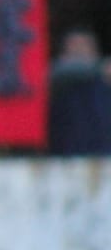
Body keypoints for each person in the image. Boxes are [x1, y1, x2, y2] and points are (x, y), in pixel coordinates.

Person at [48, 27, 111, 156]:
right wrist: (100, 67)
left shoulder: (104, 83)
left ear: (94, 51)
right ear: (63, 53)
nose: (79, 50)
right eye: (74, 45)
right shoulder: (55, 79)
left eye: (84, 45)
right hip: (64, 158)